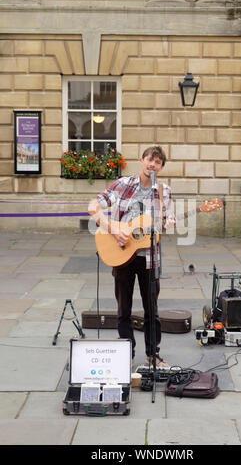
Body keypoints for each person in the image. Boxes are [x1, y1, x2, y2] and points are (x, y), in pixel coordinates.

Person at [88, 146, 175, 368]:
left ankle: (152, 354)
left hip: (149, 257)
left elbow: (166, 220)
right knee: (123, 308)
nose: (152, 165)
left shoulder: (164, 191)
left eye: (157, 162)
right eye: (149, 160)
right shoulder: (123, 184)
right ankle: (126, 352)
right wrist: (113, 229)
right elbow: (93, 206)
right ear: (142, 160)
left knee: (151, 310)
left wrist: (170, 223)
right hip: (121, 252)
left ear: (161, 167)